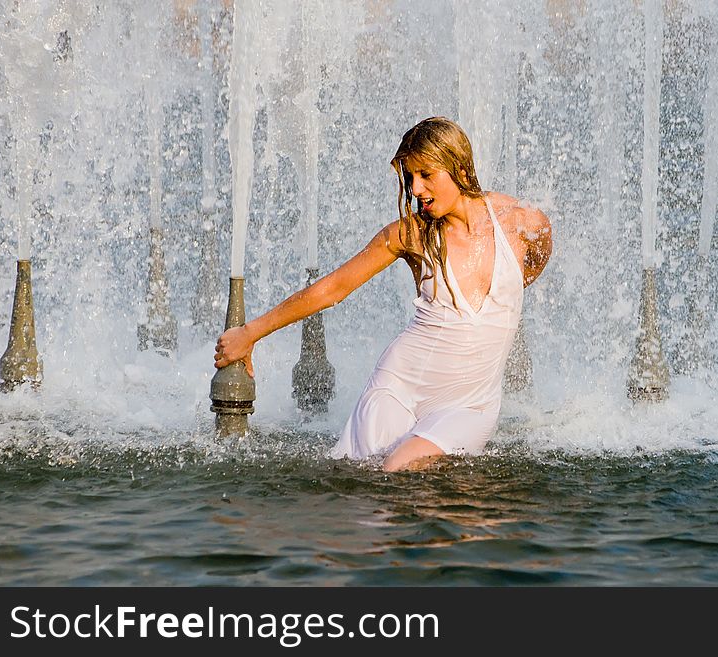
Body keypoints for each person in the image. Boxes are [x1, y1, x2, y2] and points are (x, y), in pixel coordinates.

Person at [214, 117, 552, 471]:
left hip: (469, 404)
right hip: (398, 386)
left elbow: (531, 264)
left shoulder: (522, 223)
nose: (416, 189)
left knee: (398, 465)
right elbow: (332, 289)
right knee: (360, 488)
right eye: (410, 178)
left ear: (460, 169)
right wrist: (251, 333)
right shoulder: (411, 235)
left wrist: (504, 297)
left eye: (426, 174)